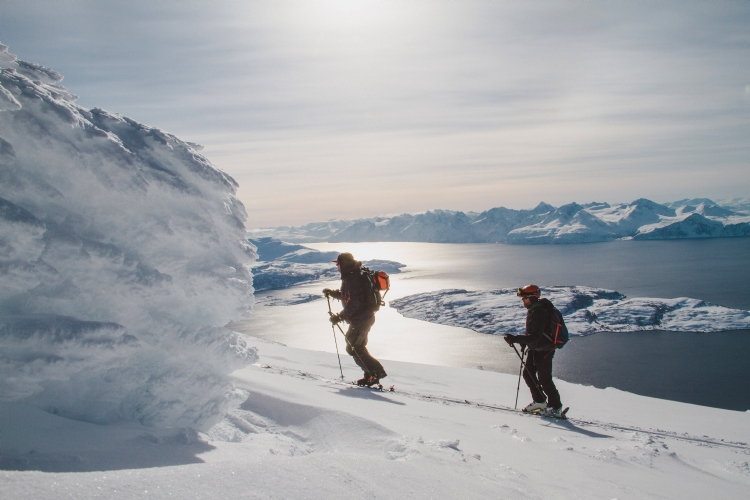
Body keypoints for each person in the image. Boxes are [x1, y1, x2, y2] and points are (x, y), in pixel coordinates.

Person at [323, 252, 387, 387]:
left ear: (343, 264)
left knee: (353, 347)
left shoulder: (352, 278)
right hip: (365, 317)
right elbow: (349, 296)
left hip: (361, 319)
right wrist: (333, 293)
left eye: (338, 264)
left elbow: (354, 303)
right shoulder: (353, 276)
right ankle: (370, 374)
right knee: (357, 347)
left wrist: (339, 317)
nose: (337, 267)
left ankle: (376, 372)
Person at [504, 284, 564, 417]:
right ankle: (540, 401)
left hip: (544, 350)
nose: (523, 300)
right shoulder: (533, 309)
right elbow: (532, 333)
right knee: (528, 374)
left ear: (533, 297)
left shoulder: (540, 312)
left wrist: (515, 339)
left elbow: (536, 336)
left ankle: (556, 407)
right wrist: (524, 343)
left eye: (525, 298)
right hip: (535, 348)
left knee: (544, 379)